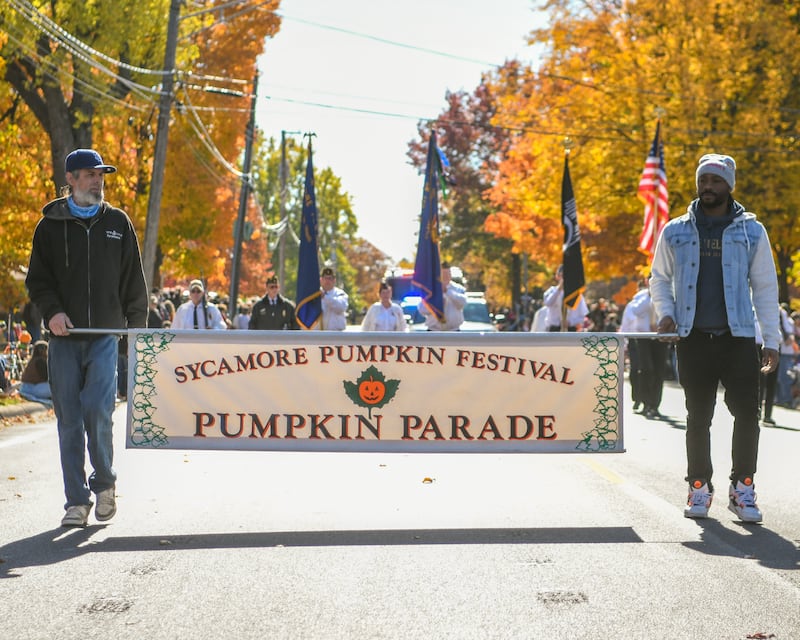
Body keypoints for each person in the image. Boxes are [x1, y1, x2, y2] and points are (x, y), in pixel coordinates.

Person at [650, 153, 779, 523]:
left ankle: (743, 488)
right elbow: (658, 277)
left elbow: (766, 287)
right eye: (703, 180)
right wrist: (666, 313)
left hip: (738, 337)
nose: (708, 186)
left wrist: (771, 338)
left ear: (729, 186)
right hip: (692, 337)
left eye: (715, 181)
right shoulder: (675, 230)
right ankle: (698, 487)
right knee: (698, 416)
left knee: (747, 416)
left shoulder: (752, 231)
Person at [25, 148, 148, 528]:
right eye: (90, 175)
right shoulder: (49, 226)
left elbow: (133, 280)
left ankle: (105, 483)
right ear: (72, 181)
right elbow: (38, 281)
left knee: (98, 409)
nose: (98, 181)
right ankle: (76, 501)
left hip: (104, 337)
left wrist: (136, 330)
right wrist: (53, 312)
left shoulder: (118, 222)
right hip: (64, 338)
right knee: (70, 420)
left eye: (101, 175)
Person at [419, 262, 467, 331]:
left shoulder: (458, 289)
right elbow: (422, 310)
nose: (445, 277)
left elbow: (463, 303)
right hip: (434, 331)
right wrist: (435, 304)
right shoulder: (429, 289)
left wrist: (447, 291)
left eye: (447, 274)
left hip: (453, 331)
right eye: (443, 274)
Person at [541, 265, 589, 331]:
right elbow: (548, 303)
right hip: (554, 328)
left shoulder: (576, 294)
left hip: (570, 329)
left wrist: (570, 322)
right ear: (557, 276)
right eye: (563, 276)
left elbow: (582, 315)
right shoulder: (552, 291)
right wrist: (559, 289)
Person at [775, 303, 796, 407]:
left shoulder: (788, 322)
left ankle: (787, 400)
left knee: (784, 377)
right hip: (780, 351)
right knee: (778, 378)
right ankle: (779, 399)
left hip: (786, 353)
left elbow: (790, 338)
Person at [19, 339, 52, 407]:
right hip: (32, 389)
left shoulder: (33, 360)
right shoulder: (40, 361)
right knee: (58, 387)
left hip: (26, 388)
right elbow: (46, 377)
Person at [319, 266, 349, 331]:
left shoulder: (340, 293)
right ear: (321, 280)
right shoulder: (314, 295)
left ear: (334, 280)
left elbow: (341, 307)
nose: (327, 281)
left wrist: (325, 297)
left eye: (330, 278)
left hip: (336, 334)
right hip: (318, 334)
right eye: (325, 278)